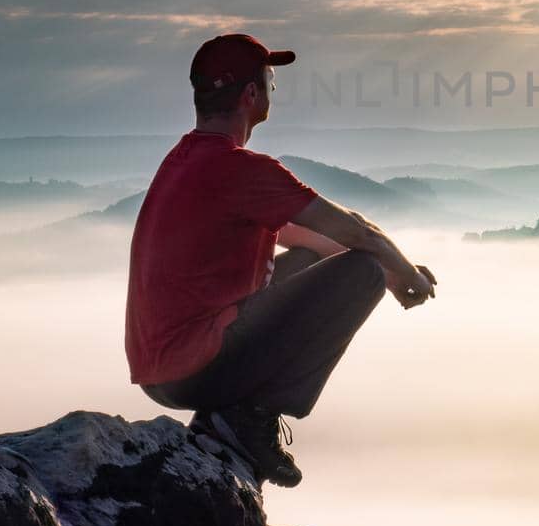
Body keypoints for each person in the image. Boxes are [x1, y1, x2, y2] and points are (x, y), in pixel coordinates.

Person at [125, 32, 437, 488]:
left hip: (163, 369)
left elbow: (302, 236)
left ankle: (233, 412)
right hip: (195, 368)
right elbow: (352, 228)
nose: (274, 88)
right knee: (361, 272)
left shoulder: (187, 158)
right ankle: (250, 415)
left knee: (324, 261)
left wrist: (393, 278)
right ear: (251, 94)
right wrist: (403, 274)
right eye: (270, 79)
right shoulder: (240, 168)